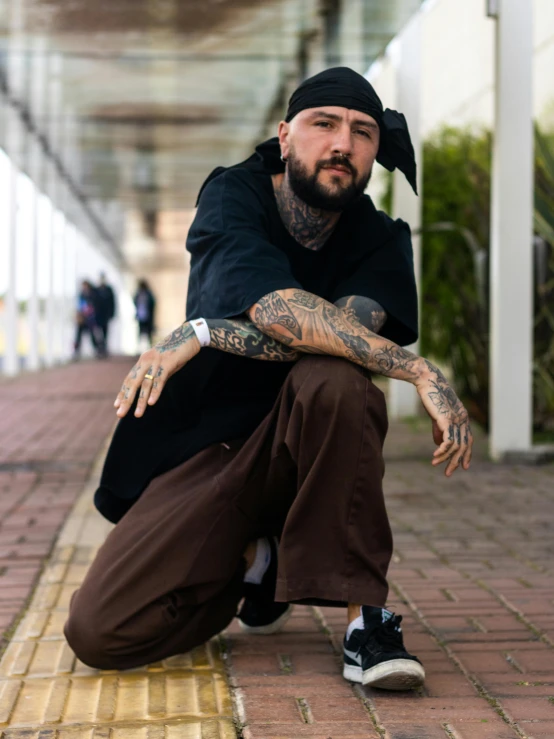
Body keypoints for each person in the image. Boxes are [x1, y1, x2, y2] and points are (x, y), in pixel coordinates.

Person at [65, 67, 473, 691]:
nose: (343, 143)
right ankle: (262, 564)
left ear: (372, 153)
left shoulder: (379, 237)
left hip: (310, 440)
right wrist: (413, 366)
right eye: (324, 124)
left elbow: (339, 344)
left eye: (362, 132)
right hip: (211, 445)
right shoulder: (235, 197)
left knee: (338, 378)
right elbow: (278, 311)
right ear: (284, 136)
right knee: (99, 630)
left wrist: (202, 333)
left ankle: (368, 623)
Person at [73, 280, 101, 359]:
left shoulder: (93, 295)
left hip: (91, 319)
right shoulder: (81, 295)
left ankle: (97, 349)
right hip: (83, 319)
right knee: (78, 334)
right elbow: (79, 306)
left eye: (85, 286)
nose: (84, 288)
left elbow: (95, 306)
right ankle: (76, 350)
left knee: (93, 335)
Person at [94, 273, 116, 356]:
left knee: (105, 332)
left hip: (106, 315)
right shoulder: (96, 289)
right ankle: (99, 348)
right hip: (98, 315)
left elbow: (112, 302)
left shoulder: (109, 289)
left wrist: (112, 313)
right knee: (98, 333)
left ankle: (104, 348)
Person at [134, 279, 156, 347]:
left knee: (148, 332)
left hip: (147, 316)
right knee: (140, 331)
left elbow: (152, 303)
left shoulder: (148, 294)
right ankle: (139, 346)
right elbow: (135, 301)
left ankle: (149, 345)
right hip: (141, 316)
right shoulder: (138, 294)